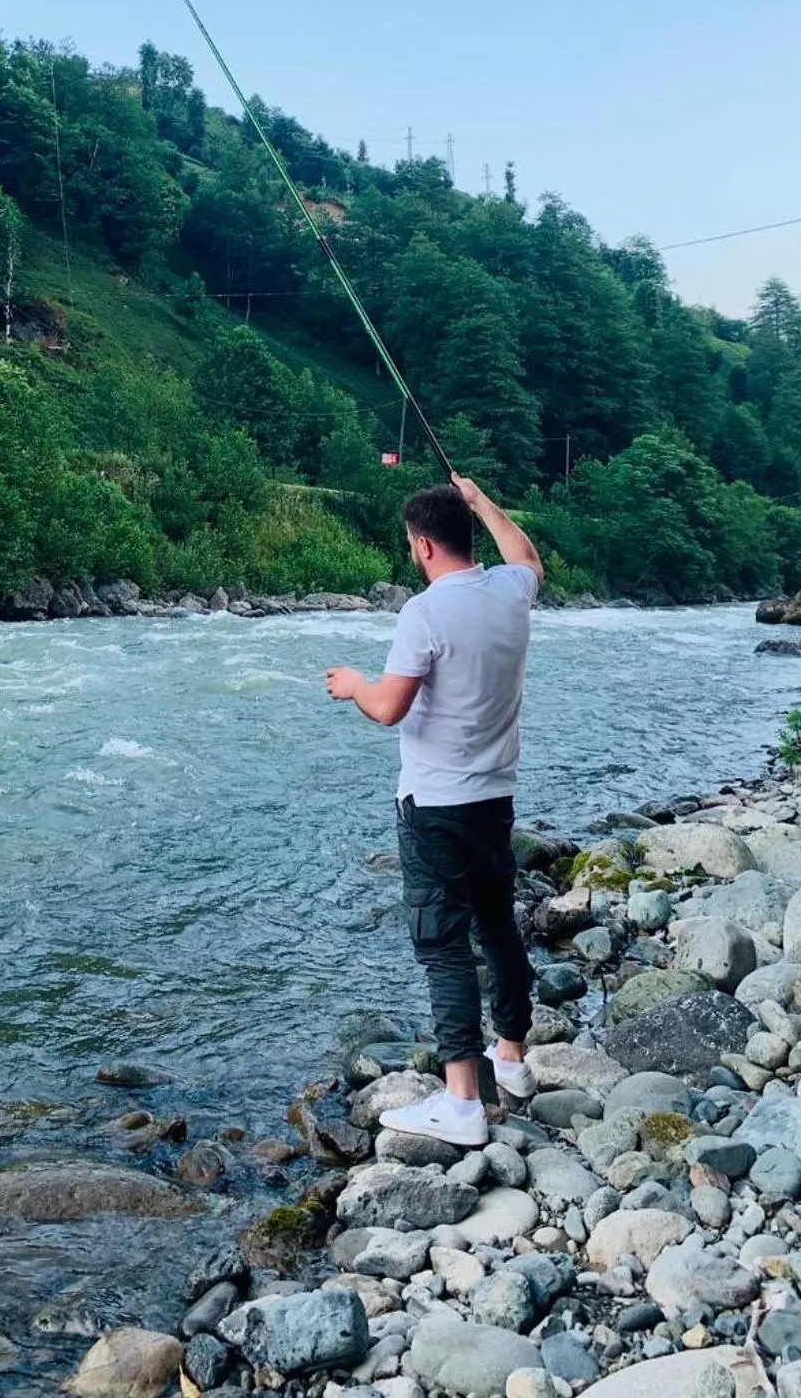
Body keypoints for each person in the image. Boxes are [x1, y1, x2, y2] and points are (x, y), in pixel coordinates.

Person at [325, 471, 542, 1148]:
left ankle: (462, 1103)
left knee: (443, 946)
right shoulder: (511, 592)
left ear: (421, 546)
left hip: (435, 806)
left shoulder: (424, 613)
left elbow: (389, 708)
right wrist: (484, 500)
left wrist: (354, 684)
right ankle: (511, 1056)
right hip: (494, 798)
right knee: (497, 926)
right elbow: (527, 557)